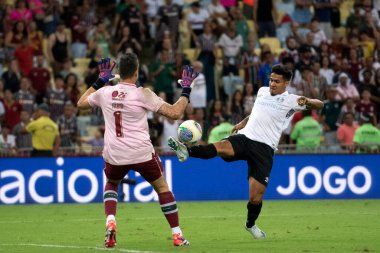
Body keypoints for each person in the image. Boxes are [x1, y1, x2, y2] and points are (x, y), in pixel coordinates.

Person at [168, 64, 324, 239]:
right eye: (271, 80)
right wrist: (243, 123)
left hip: (264, 148)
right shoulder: (263, 91)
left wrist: (308, 101)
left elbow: (320, 104)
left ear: (286, 83)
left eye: (277, 81)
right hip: (246, 137)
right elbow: (258, 112)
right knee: (221, 147)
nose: (272, 83)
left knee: (255, 198)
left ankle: (250, 224)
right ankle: (186, 151)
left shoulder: (292, 100)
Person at [77, 54, 199, 248]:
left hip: (115, 154)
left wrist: (100, 80)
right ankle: (177, 235)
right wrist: (186, 89)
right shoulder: (143, 93)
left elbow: (81, 104)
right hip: (141, 153)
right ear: (136, 72)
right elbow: (176, 113)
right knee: (162, 188)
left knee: (111, 183)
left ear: (118, 72)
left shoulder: (105, 92)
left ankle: (111, 221)